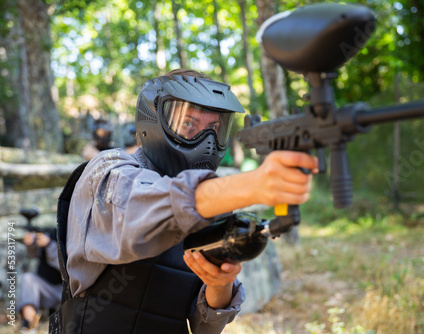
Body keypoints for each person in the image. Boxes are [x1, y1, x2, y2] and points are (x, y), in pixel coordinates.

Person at [49, 69, 317, 334]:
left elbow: (204, 326)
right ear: (152, 120)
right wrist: (253, 185)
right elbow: (137, 212)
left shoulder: (212, 201)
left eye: (214, 129)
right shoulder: (109, 171)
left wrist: (220, 285)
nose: (207, 143)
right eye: (189, 125)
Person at [19, 229, 62, 333]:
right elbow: (32, 255)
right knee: (27, 278)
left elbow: (62, 265)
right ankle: (29, 323)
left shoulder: (70, 234)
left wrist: (49, 245)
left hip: (67, 290)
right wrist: (31, 244)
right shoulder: (50, 231)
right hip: (46, 288)